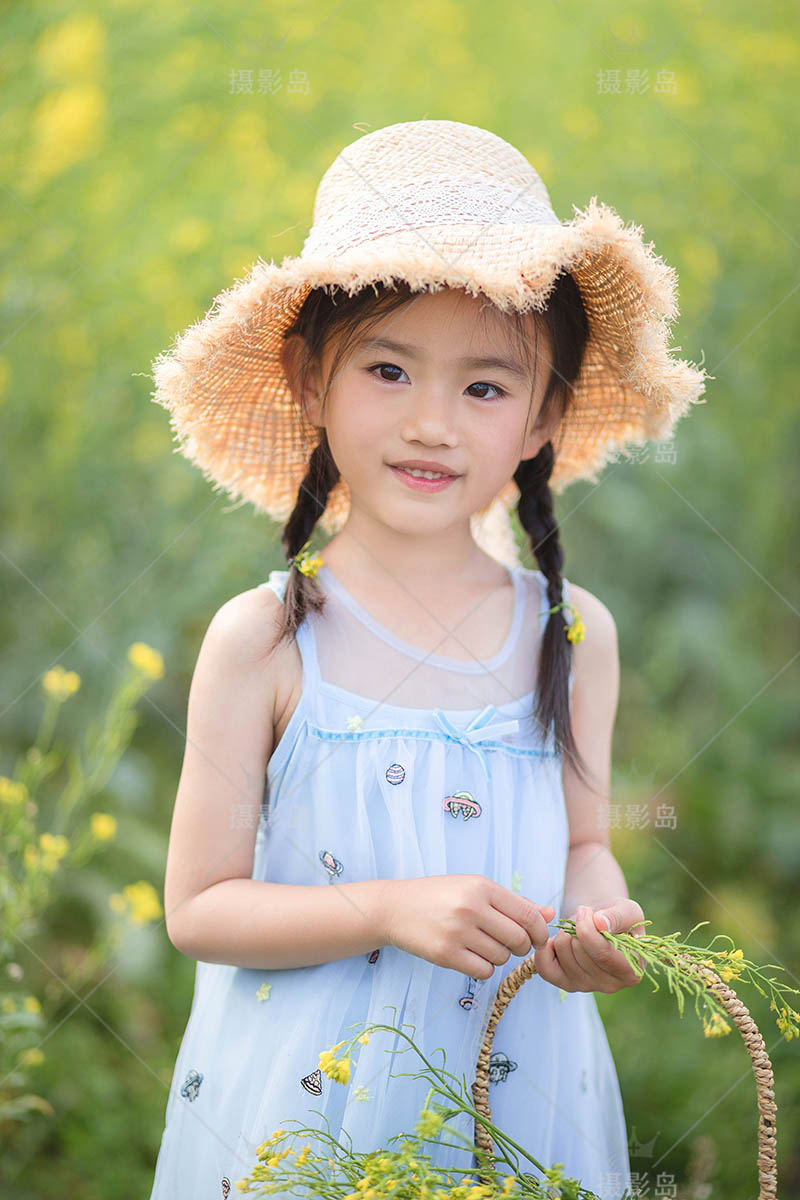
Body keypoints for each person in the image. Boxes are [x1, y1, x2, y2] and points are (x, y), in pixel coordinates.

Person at [146, 119, 709, 1200]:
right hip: (306, 1113)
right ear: (312, 379)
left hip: (520, 1090)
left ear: (543, 417)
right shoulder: (265, 639)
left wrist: (596, 918)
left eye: (484, 389)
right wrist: (386, 909)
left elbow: (584, 844)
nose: (431, 424)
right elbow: (200, 908)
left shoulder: (570, 633)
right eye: (389, 369)